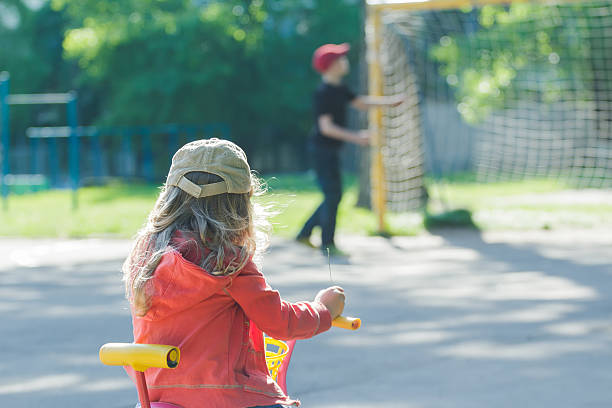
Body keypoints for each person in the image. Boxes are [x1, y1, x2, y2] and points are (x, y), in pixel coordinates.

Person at [122, 138, 346, 408]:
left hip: (159, 397)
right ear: (239, 206)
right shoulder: (226, 261)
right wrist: (323, 309)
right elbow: (279, 321)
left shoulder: (146, 256)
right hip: (229, 398)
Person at [296, 43, 403, 256]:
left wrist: (390, 103)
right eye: (340, 59)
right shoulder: (323, 93)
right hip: (321, 151)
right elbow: (326, 128)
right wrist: (357, 137)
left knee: (333, 195)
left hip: (330, 151)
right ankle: (327, 243)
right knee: (333, 194)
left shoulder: (340, 89)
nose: (345, 62)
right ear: (331, 66)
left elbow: (361, 103)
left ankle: (304, 234)